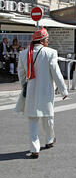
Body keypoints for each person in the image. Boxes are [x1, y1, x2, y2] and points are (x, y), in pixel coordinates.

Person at [15, 28, 68, 159]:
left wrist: (25, 86)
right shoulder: (50, 53)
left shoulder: (24, 53)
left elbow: (21, 73)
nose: (48, 42)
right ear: (43, 40)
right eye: (47, 39)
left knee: (32, 120)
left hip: (31, 91)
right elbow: (56, 73)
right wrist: (63, 90)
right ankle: (49, 140)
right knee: (48, 117)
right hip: (46, 91)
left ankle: (34, 149)